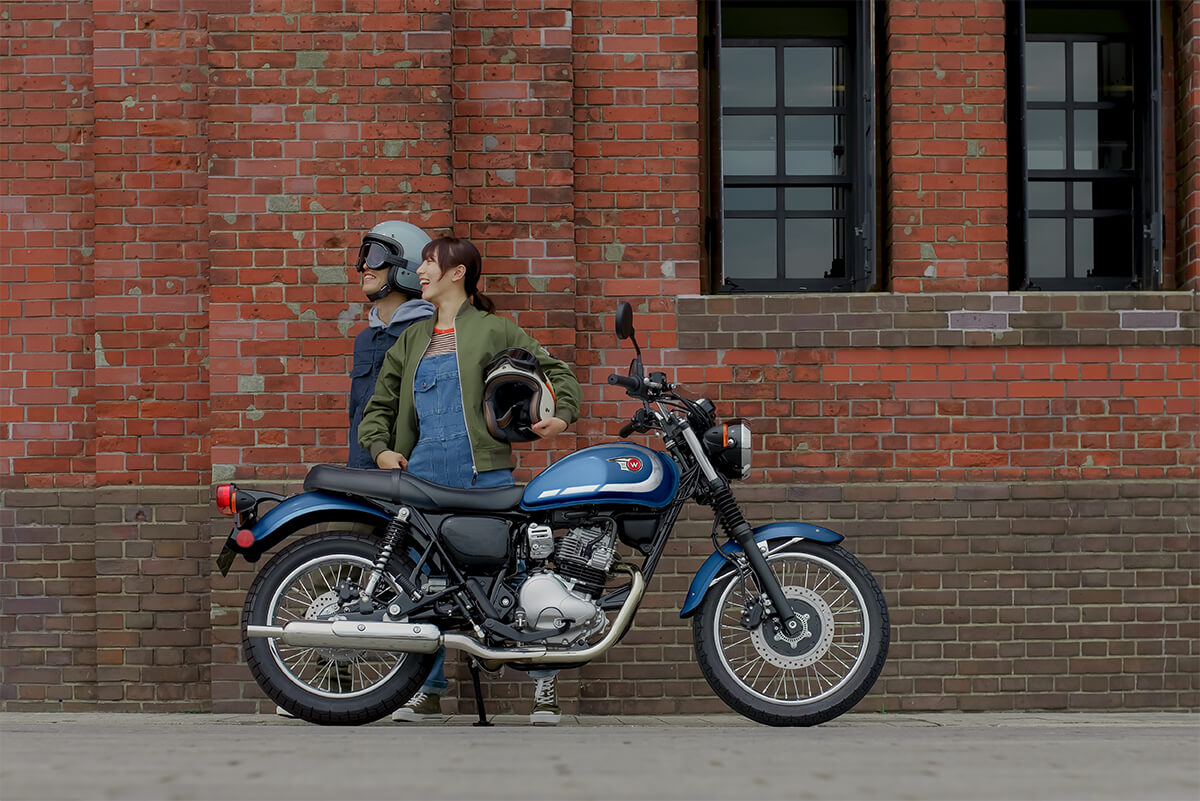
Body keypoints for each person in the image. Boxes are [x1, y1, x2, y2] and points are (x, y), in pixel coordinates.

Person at [358, 235, 582, 725]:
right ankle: (426, 689)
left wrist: (560, 416)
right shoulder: (410, 341)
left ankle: (542, 683)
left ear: (457, 273)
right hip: (422, 477)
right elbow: (378, 406)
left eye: (429, 264)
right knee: (423, 584)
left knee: (517, 576)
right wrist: (382, 448)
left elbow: (557, 372)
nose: (419, 272)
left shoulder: (494, 329)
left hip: (486, 474)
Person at [277, 219, 435, 720]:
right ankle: (334, 685)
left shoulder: (428, 332)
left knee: (422, 575)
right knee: (358, 572)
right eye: (363, 256)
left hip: (415, 470)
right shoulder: (369, 337)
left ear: (404, 270)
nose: (362, 267)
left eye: (375, 258)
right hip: (365, 471)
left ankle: (424, 687)